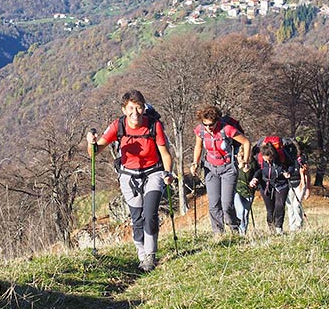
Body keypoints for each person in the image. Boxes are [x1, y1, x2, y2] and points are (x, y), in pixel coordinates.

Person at [87, 89, 174, 272]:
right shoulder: (117, 126)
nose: (135, 113)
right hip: (128, 176)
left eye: (139, 108)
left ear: (144, 108)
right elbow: (95, 153)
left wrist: (168, 172)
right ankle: (141, 254)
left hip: (154, 172)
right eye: (131, 108)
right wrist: (91, 142)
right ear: (124, 109)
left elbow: (165, 154)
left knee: (150, 214)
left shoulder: (154, 125)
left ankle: (150, 256)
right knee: (137, 218)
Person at [189, 105, 251, 235]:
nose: (208, 127)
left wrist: (245, 160)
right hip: (210, 168)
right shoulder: (200, 131)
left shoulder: (227, 129)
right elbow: (198, 147)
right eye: (205, 124)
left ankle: (235, 229)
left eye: (211, 124)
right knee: (213, 204)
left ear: (217, 120)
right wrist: (195, 163)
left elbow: (246, 142)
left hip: (228, 168)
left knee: (226, 204)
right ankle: (218, 234)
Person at [250, 142, 292, 234]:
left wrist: (288, 173)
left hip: (281, 184)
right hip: (266, 185)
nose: (268, 162)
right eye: (266, 160)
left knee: (280, 205)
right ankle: (271, 229)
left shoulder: (281, 158)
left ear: (273, 155)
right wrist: (255, 178)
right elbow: (258, 171)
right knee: (270, 209)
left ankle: (278, 228)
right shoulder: (260, 159)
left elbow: (291, 165)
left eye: (269, 160)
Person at [286, 140, 311, 232]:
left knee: (296, 204)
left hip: (301, 183)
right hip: (289, 183)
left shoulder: (302, 159)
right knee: (290, 206)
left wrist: (308, 189)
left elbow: (307, 174)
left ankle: (299, 225)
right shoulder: (287, 158)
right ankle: (292, 227)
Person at [233, 145, 259, 236]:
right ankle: (240, 232)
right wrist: (239, 168)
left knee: (246, 213)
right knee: (241, 210)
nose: (243, 158)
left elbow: (257, 173)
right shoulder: (235, 164)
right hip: (237, 190)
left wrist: (254, 180)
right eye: (241, 156)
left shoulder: (253, 163)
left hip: (248, 191)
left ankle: (244, 231)